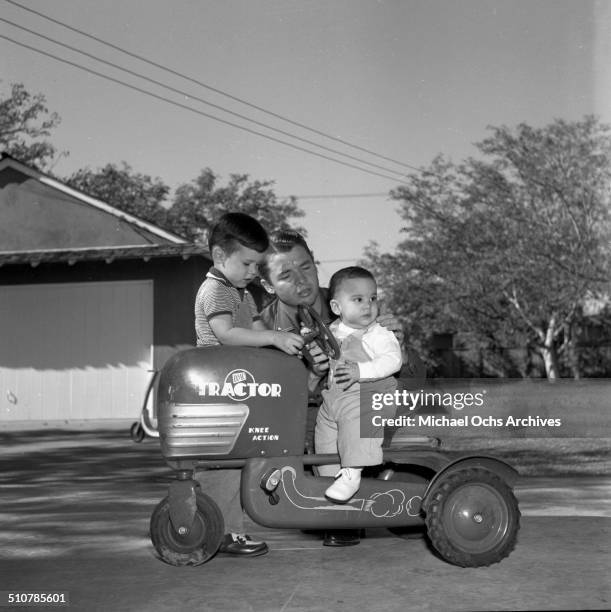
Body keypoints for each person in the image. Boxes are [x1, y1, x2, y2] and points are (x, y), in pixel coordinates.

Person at [259, 230, 405, 546]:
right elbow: (272, 397)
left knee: (361, 411)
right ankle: (328, 499)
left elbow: (398, 365)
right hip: (305, 411)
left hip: (364, 398)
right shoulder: (263, 327)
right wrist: (312, 376)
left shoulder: (351, 295)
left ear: (315, 261)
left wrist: (394, 338)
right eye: (286, 274)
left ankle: (350, 500)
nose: (302, 281)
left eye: (306, 266)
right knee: (312, 431)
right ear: (268, 285)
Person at [194, 212, 305, 557]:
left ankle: (228, 524)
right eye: (246, 264)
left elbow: (257, 333)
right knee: (223, 463)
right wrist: (271, 336)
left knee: (241, 458)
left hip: (239, 387)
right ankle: (224, 531)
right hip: (218, 388)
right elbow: (226, 334)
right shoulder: (215, 291)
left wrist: (283, 340)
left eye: (257, 265)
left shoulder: (241, 291)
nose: (253, 272)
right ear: (218, 256)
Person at [315, 266, 402, 502]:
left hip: (370, 396)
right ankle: (330, 476)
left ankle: (352, 475)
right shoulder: (332, 331)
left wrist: (360, 370)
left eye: (373, 298)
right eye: (358, 299)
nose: (368, 305)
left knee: (358, 421)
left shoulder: (378, 333)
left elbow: (393, 361)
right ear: (336, 307)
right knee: (325, 434)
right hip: (336, 398)